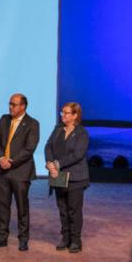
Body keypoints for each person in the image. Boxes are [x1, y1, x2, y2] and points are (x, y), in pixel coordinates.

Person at [0, 93, 40, 251]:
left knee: (22, 207)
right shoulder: (4, 120)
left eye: (14, 104)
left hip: (20, 171)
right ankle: (2, 236)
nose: (10, 107)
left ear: (23, 106)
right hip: (3, 171)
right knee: (2, 205)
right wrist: (1, 158)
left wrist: (11, 162)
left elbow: (29, 148)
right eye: (9, 104)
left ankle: (23, 238)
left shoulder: (32, 123)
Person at [44, 102, 89, 253]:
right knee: (62, 209)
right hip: (59, 175)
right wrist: (50, 163)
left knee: (73, 210)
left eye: (66, 113)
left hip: (75, 177)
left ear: (75, 115)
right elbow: (48, 146)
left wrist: (56, 164)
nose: (63, 115)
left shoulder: (82, 133)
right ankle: (65, 238)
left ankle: (76, 240)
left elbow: (77, 155)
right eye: (62, 112)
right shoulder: (58, 129)